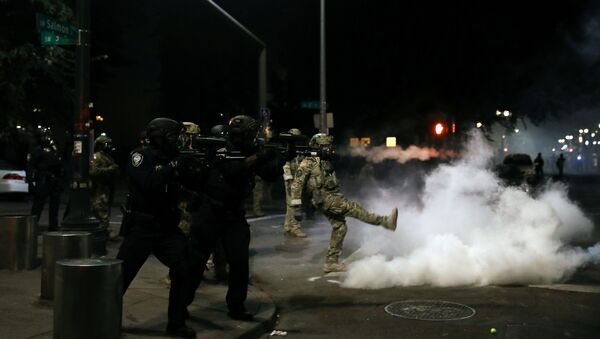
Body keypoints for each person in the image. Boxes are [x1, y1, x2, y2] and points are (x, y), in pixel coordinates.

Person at [185, 115, 287, 321]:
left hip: (233, 214)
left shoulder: (249, 150)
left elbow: (269, 174)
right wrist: (261, 155)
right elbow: (233, 170)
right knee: (196, 263)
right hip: (209, 212)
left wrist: (285, 155)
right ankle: (180, 305)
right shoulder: (220, 146)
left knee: (239, 262)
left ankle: (236, 305)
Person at [116, 118, 195, 338]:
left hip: (167, 227)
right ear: (160, 137)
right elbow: (148, 181)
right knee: (120, 276)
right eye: (173, 136)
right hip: (142, 226)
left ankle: (176, 324)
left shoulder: (175, 158)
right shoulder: (140, 156)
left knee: (183, 268)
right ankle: (100, 317)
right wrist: (175, 165)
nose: (177, 140)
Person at [290, 133, 398, 273]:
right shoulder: (308, 162)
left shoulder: (325, 159)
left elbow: (336, 164)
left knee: (340, 227)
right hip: (323, 198)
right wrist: (296, 207)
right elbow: (297, 184)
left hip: (332, 195)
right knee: (354, 208)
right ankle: (385, 222)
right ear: (317, 146)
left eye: (329, 145)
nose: (329, 148)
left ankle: (331, 263)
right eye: (325, 146)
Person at [27, 131, 64, 231]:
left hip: (55, 179)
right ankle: (32, 226)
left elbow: (60, 163)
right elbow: (31, 166)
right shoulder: (37, 150)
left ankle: (53, 226)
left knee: (54, 205)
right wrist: (30, 182)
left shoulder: (54, 148)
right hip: (44, 178)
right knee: (38, 205)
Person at [90, 135, 120, 240]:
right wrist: (110, 170)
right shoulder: (97, 156)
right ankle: (103, 234)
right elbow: (93, 171)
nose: (109, 146)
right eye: (107, 144)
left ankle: (104, 232)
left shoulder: (107, 156)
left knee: (105, 209)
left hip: (107, 188)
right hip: (99, 188)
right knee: (101, 210)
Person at [282, 128, 307, 238]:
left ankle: (288, 226)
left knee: (290, 204)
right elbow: (285, 165)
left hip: (297, 178)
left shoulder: (299, 149)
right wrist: (289, 179)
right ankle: (295, 228)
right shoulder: (288, 148)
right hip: (292, 179)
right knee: (295, 204)